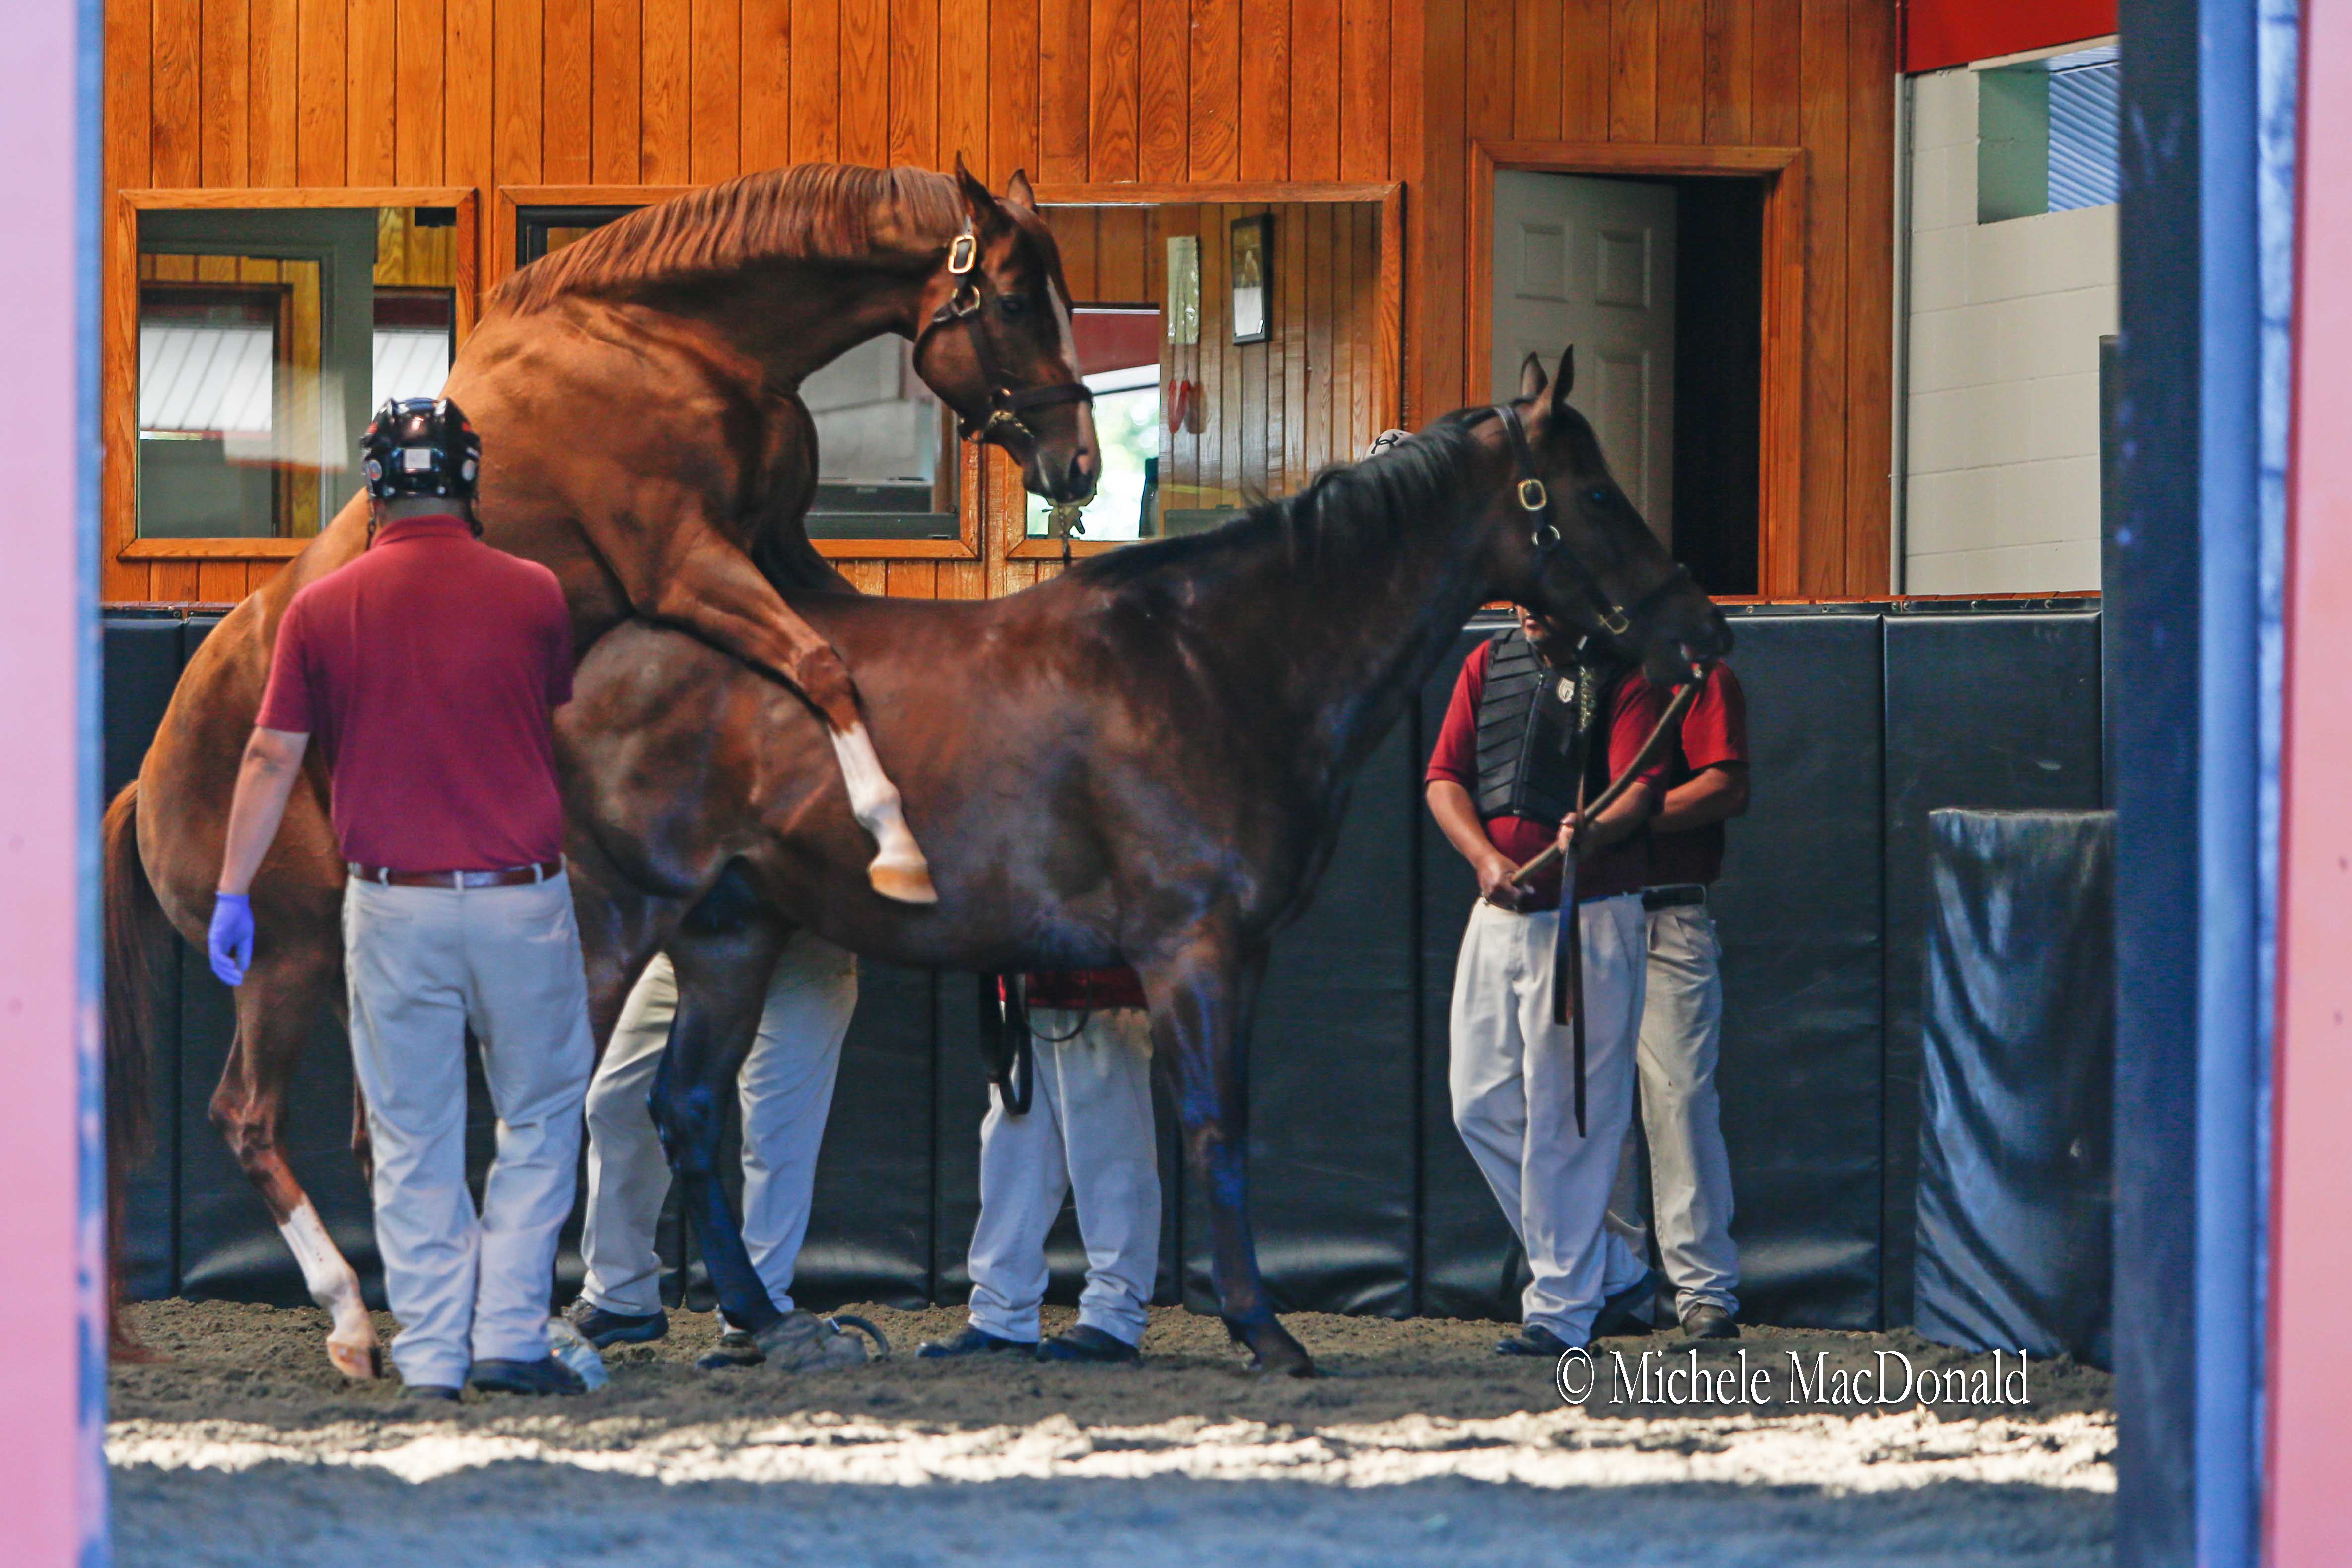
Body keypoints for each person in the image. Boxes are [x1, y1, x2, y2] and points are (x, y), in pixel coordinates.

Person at [207, 397, 594, 1400]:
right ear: (468, 479)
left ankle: (429, 1351)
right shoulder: (536, 593)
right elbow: (554, 730)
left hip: (392, 906)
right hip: (520, 897)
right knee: (542, 1115)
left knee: (414, 1131)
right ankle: (509, 1331)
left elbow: (269, 755)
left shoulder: (320, 607)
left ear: (373, 487)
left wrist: (232, 890)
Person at [1425, 605, 1672, 1355]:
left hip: (1587, 916)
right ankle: (1614, 1270)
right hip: (1498, 906)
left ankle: (1561, 1311)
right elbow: (1445, 778)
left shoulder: (1627, 670)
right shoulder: (1486, 663)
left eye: (1544, 595)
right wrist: (1481, 857)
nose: (1528, 608)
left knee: (1568, 1120)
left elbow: (1642, 784)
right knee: (1478, 1105)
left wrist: (1595, 826)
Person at [566, 938, 870, 1371]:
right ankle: (618, 1293)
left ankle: (758, 1311)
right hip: (690, 955)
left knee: (776, 1134)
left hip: (801, 953)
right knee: (616, 1104)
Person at [1608, 662, 1750, 1340]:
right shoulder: (1563, 669)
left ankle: (1703, 1293)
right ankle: (1615, 1282)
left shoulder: (1690, 666)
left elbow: (1724, 785)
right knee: (1585, 1108)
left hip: (1667, 910)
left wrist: (1619, 819)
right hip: (1581, 911)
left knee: (1680, 1101)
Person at [920, 969, 1160, 1363]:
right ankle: (1003, 1313)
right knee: (1014, 1148)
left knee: (1109, 1148)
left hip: (1096, 982)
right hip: (1023, 980)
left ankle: (1113, 1316)